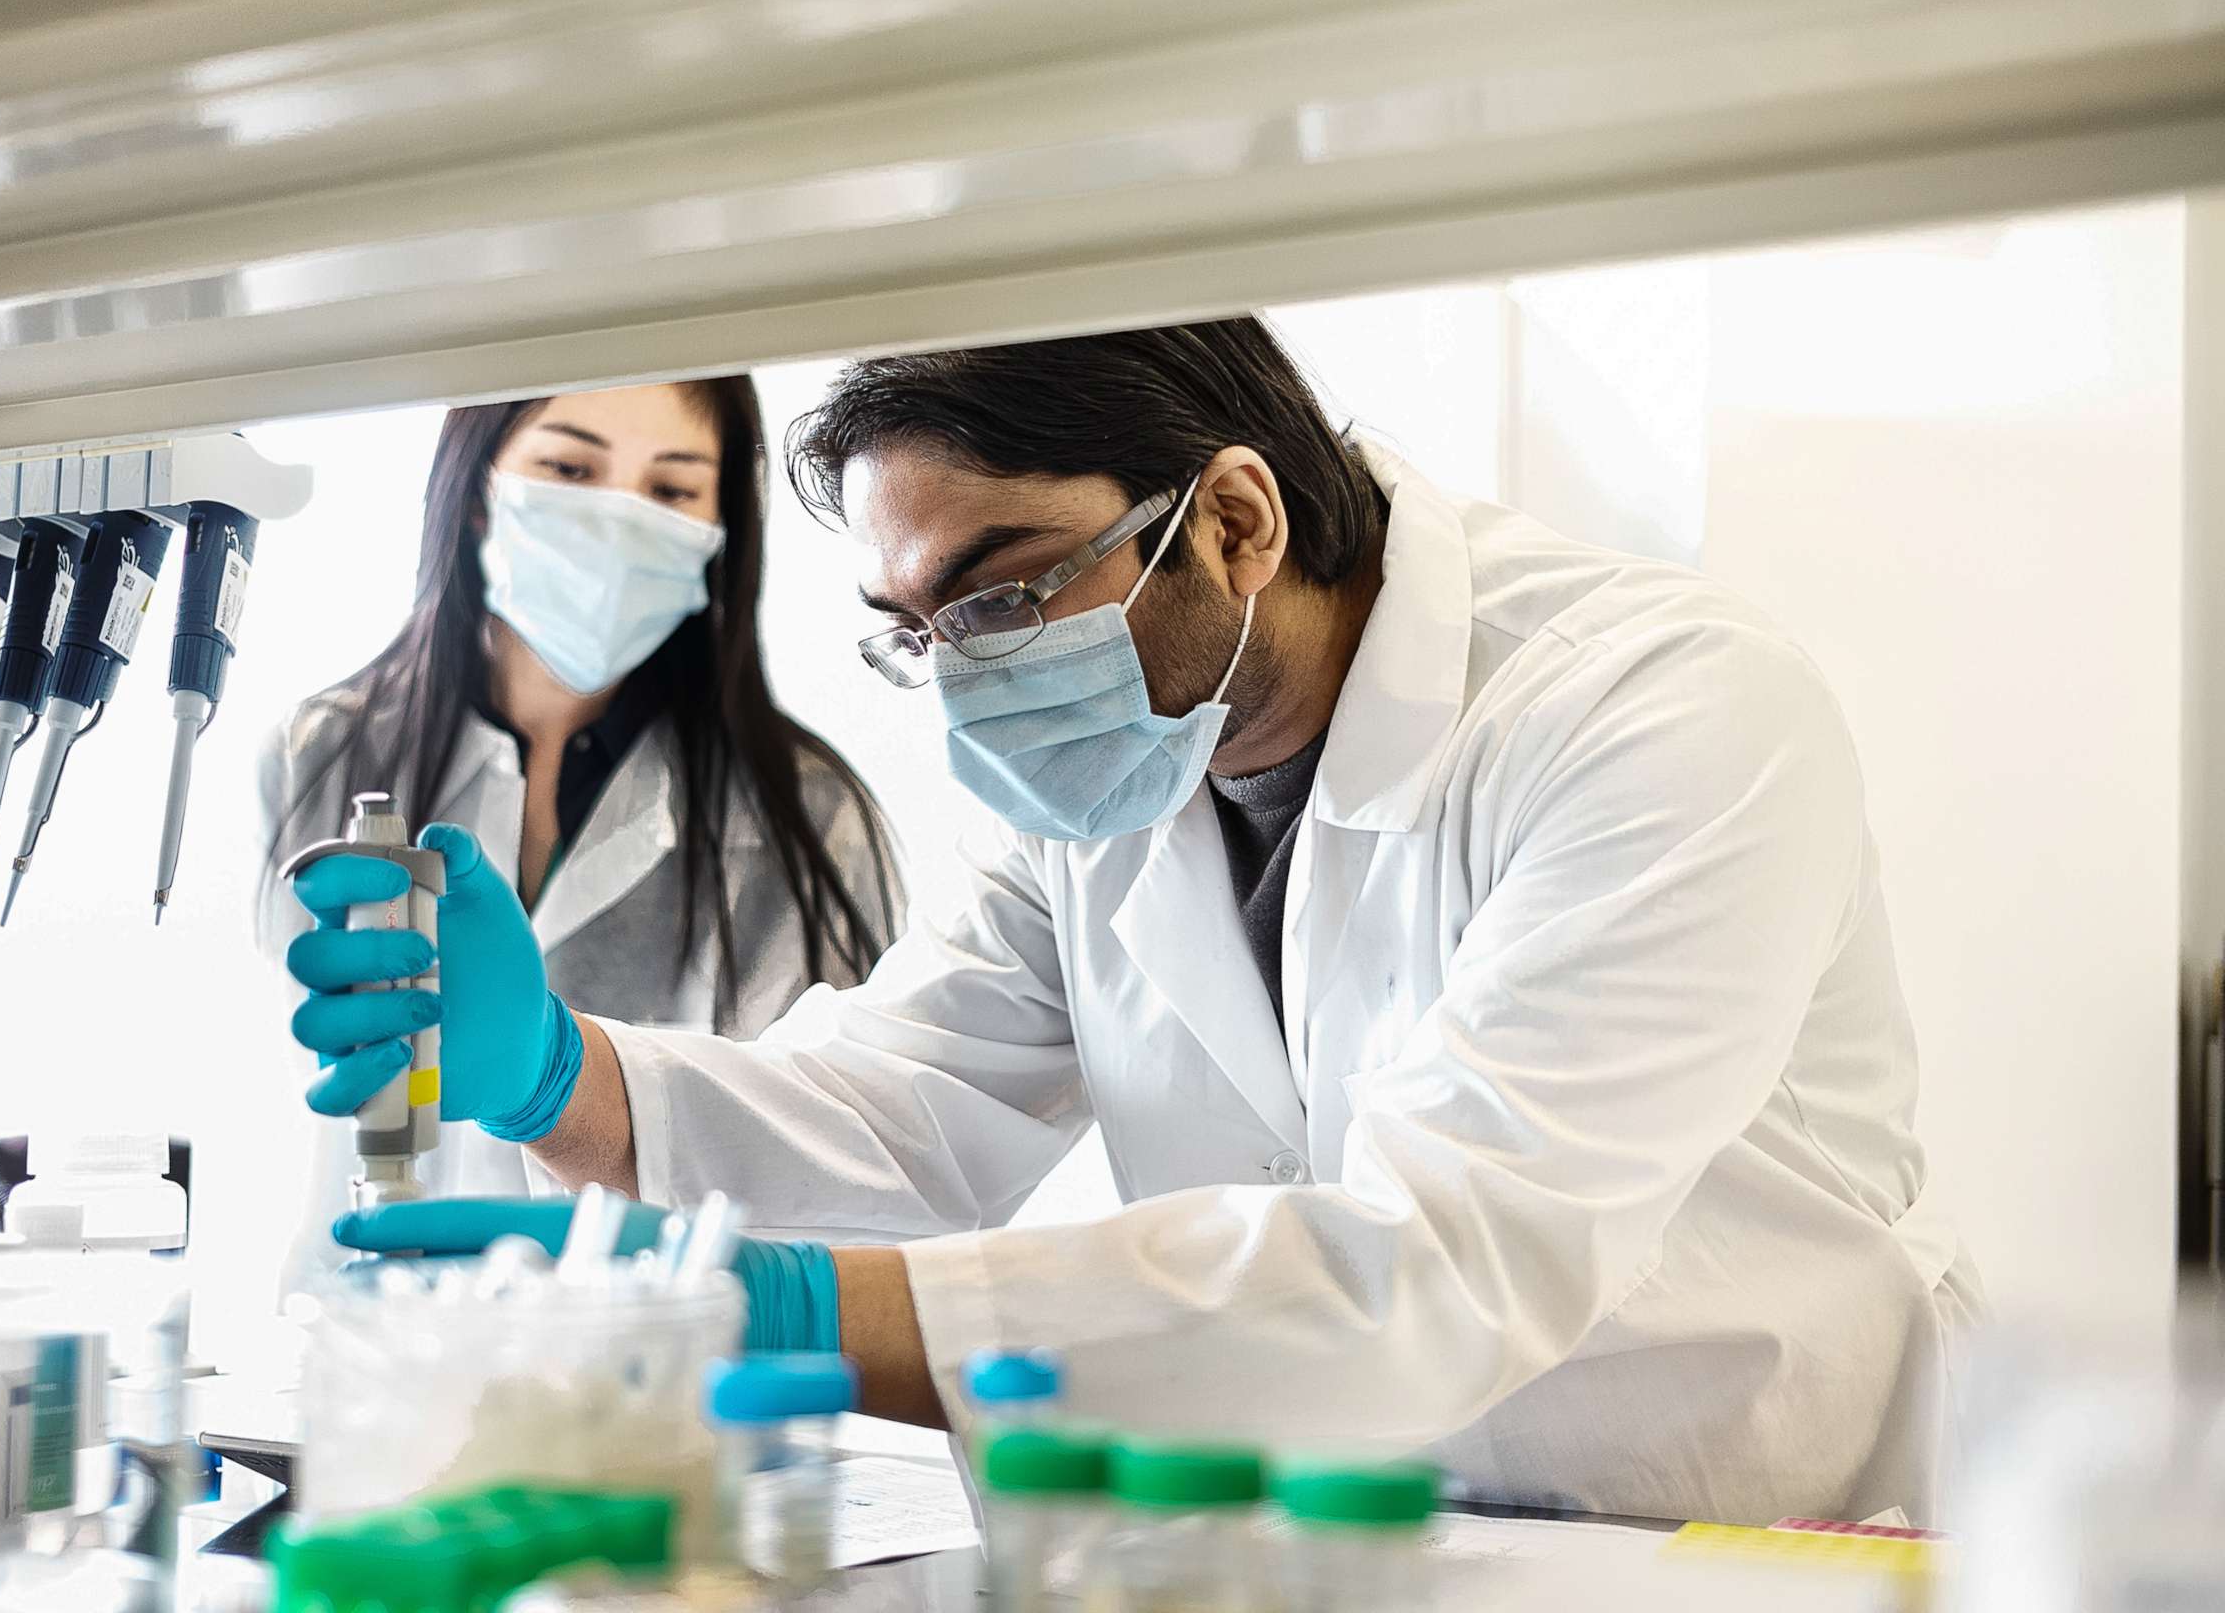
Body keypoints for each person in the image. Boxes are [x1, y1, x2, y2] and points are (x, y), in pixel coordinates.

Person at [280, 321, 1983, 1525]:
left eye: (1005, 587)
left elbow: (1439, 1262)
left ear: (1234, 519)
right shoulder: (1109, 780)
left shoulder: (1665, 710)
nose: (966, 674)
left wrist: (780, 1308)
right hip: (1344, 1530)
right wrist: (561, 1079)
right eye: (913, 623)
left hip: (1725, 1534)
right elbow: (911, 1102)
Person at [258, 379, 904, 1234]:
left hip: (663, 1347)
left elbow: (835, 1166)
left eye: (671, 490)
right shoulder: (320, 755)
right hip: (373, 1320)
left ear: (719, 530)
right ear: (477, 488)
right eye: (569, 467)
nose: (617, 520)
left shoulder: (808, 822)